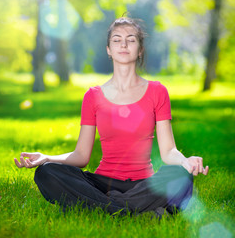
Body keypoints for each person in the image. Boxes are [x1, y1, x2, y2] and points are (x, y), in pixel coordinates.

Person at [14, 16, 209, 218]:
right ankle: (138, 210)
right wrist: (46, 158)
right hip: (102, 183)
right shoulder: (93, 96)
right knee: (47, 172)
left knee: (180, 175)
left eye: (131, 39)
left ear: (140, 49)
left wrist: (185, 161)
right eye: (116, 39)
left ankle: (101, 208)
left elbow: (169, 151)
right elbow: (81, 156)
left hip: (144, 184)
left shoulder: (157, 91)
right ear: (108, 49)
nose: (123, 44)